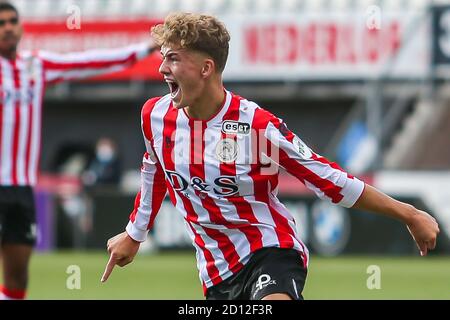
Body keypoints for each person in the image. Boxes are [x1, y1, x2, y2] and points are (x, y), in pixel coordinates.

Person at [101, 13, 440, 300]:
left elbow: (328, 178)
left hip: (270, 248)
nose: (161, 68)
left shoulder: (256, 126)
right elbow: (155, 169)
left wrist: (409, 214)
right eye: (162, 57)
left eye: (173, 58)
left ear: (206, 68)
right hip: (215, 272)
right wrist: (135, 232)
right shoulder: (155, 116)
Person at [0, 2, 157, 300]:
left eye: (12, 21)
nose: (7, 27)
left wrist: (144, 49)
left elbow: (88, 61)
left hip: (20, 189)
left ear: (20, 27)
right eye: (1, 23)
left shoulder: (35, 65)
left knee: (18, 274)